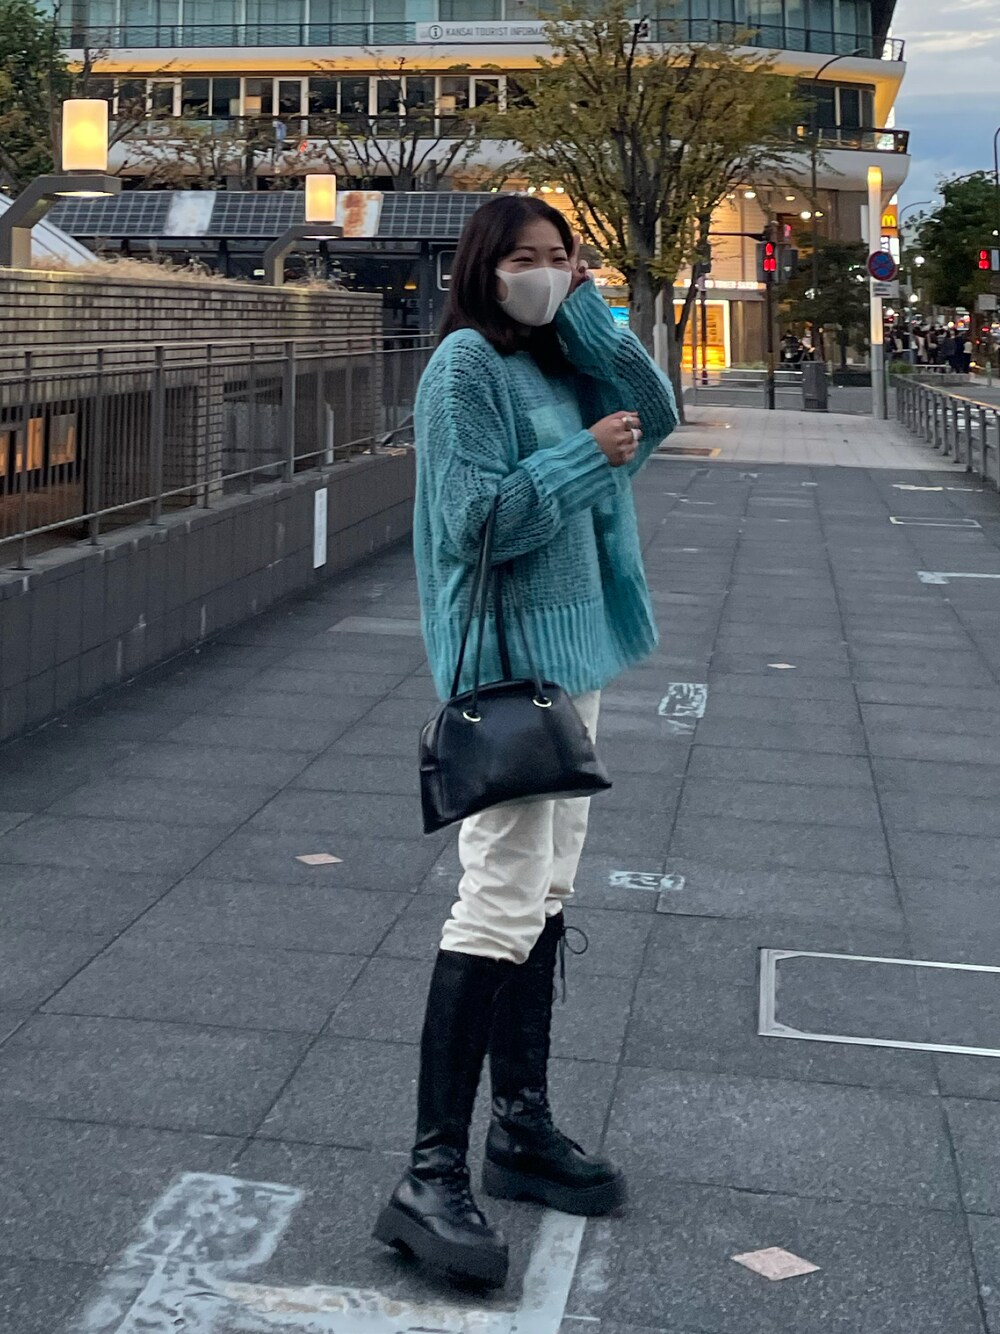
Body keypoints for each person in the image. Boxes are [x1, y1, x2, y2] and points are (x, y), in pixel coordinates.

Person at [373, 195, 678, 1287]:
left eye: (561, 256)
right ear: (483, 266)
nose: (546, 271)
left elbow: (655, 413)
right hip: (509, 669)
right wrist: (583, 461)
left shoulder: (555, 363)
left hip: (573, 660)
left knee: (546, 893)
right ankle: (430, 1174)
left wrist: (587, 313)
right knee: (498, 898)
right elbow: (473, 522)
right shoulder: (466, 367)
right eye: (526, 258)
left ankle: (522, 1126)